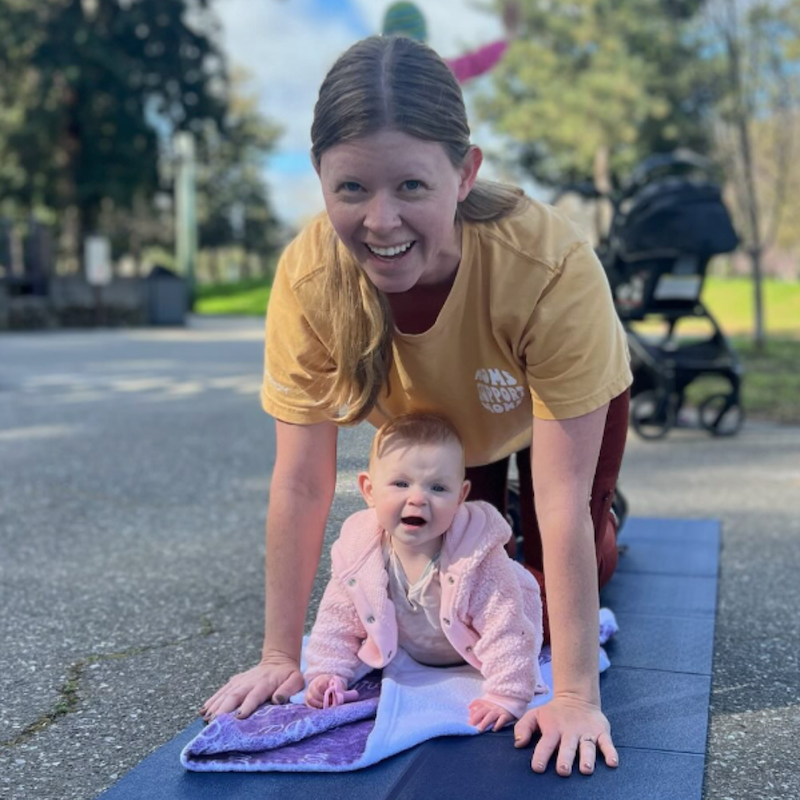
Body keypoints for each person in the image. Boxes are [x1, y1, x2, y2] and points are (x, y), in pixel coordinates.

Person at [201, 34, 631, 778]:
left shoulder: (547, 264)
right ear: (319, 176)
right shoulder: (309, 279)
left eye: (410, 186)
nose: (381, 221)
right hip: (441, 437)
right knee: (448, 573)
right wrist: (278, 655)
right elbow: (301, 482)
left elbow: (562, 497)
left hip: (545, 412)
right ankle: (492, 496)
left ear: (464, 174)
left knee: (547, 576)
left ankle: (612, 515)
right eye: (351, 188)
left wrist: (572, 695)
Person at [303, 413, 547, 732]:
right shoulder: (360, 555)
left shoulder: (477, 560)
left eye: (438, 487)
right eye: (401, 484)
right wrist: (327, 672)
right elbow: (337, 620)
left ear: (460, 497)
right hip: (419, 647)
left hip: (512, 615)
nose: (417, 498)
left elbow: (507, 626)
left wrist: (507, 694)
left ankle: (595, 525)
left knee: (555, 610)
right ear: (369, 490)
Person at [381, 0, 520, 84]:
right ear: (422, 41)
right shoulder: (437, 72)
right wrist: (509, 36)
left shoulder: (370, 75)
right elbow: (475, 63)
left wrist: (508, 36)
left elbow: (475, 62)